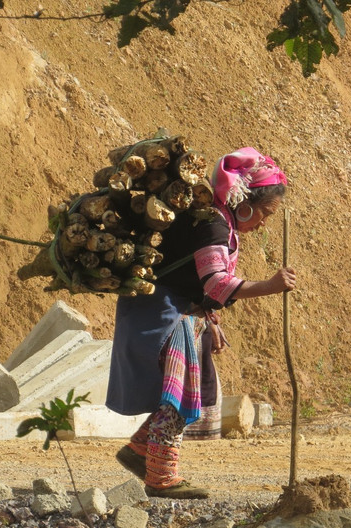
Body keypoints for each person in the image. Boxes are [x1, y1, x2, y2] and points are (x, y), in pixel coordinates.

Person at [105, 147, 296, 499]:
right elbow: (217, 284)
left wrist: (212, 322)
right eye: (264, 213)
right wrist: (271, 286)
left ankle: (141, 451)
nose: (264, 222)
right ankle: (161, 477)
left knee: (178, 393)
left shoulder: (216, 221)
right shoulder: (213, 225)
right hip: (162, 314)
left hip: (168, 312)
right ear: (245, 203)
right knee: (174, 399)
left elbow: (201, 284)